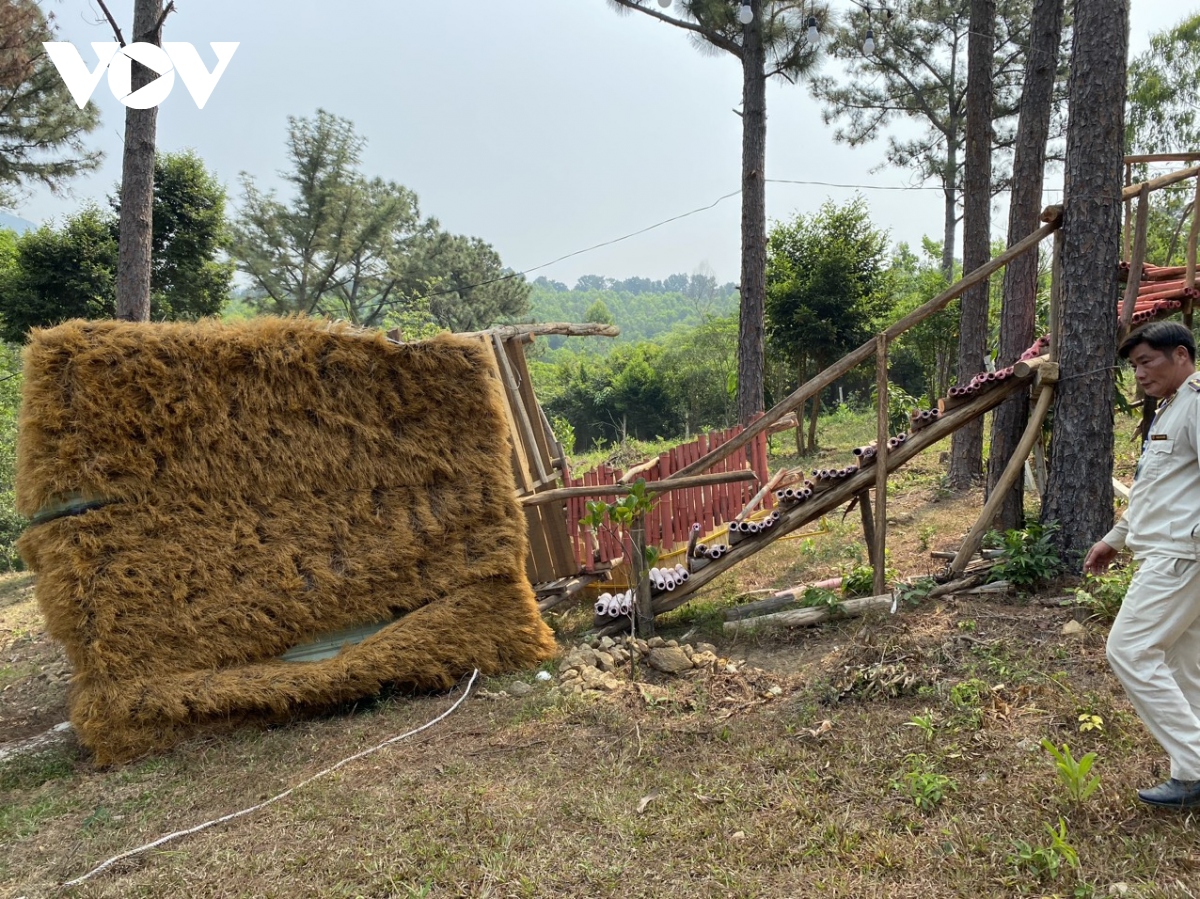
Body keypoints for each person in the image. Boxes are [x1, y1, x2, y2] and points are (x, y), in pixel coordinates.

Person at [1085, 320, 1200, 808]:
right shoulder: (1172, 408)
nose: (1139, 375)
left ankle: (1195, 766)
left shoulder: (1196, 404)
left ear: (1180, 355)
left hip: (1181, 554)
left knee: (1129, 649)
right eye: (1134, 367)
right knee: (1182, 663)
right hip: (1167, 549)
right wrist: (1116, 537)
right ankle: (1188, 772)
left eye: (1146, 362)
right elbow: (1157, 489)